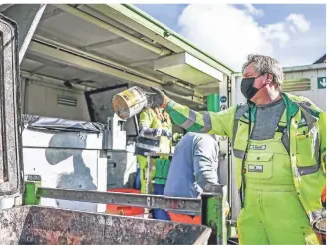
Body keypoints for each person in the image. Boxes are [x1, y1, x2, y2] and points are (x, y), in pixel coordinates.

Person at [151, 54, 326, 245]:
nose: (244, 82)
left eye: (248, 75)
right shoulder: (238, 115)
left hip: (294, 212)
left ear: (268, 77)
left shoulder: (308, 115)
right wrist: (167, 104)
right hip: (251, 213)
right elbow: (200, 122)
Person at [164, 132, 219, 224]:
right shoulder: (205, 140)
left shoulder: (188, 136)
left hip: (174, 204)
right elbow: (204, 174)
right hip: (191, 206)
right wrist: (219, 199)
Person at [135, 106, 172, 194]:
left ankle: (158, 207)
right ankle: (146, 206)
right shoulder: (147, 112)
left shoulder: (166, 115)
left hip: (163, 157)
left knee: (160, 184)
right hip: (147, 156)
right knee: (147, 184)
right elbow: (143, 131)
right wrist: (160, 132)